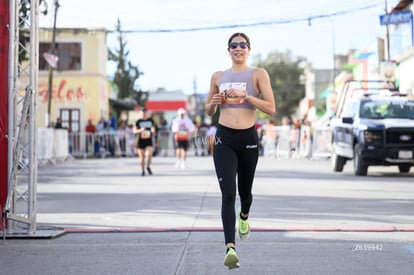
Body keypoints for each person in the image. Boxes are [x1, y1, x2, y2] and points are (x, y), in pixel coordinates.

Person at [205, 32, 276, 269]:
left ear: (248, 49)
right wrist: (214, 102)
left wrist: (247, 96)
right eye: (234, 45)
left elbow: (271, 108)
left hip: (248, 138)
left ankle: (244, 217)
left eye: (242, 45)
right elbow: (207, 111)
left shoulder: (258, 74)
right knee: (228, 194)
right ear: (228, 50)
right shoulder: (218, 76)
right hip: (224, 137)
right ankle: (230, 248)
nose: (238, 48)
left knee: (245, 193)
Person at [134, 108, 156, 176]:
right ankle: (143, 170)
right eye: (142, 113)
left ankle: (148, 166)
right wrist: (140, 130)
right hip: (140, 141)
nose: (143, 114)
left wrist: (153, 130)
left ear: (147, 113)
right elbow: (134, 131)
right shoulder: (138, 121)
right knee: (142, 158)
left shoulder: (150, 121)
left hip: (148, 140)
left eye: (145, 113)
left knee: (148, 154)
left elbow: (153, 128)